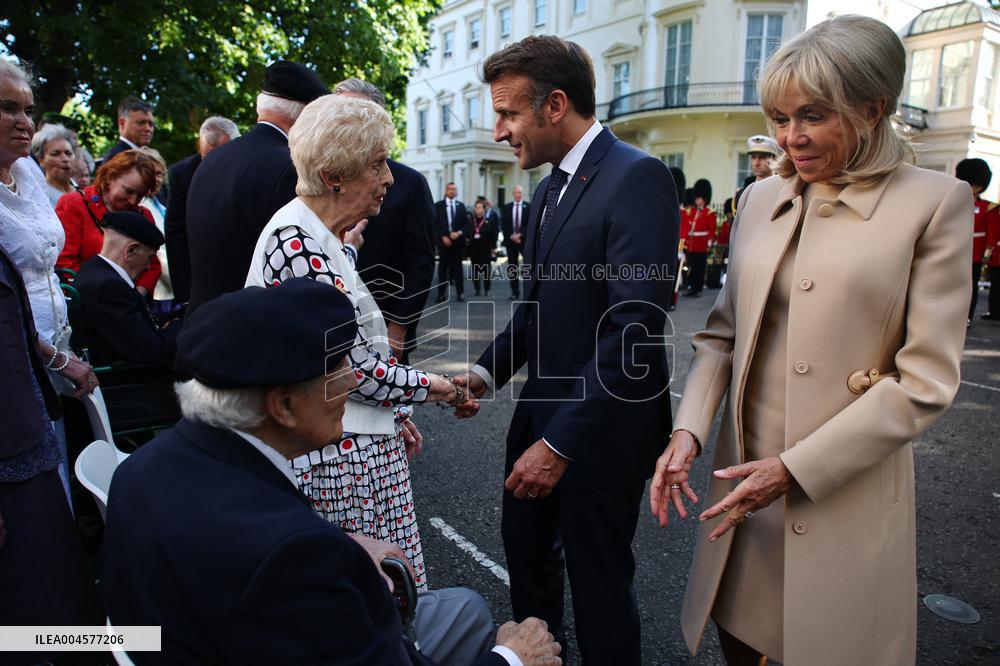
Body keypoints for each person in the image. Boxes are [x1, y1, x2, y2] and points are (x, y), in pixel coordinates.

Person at [649, 16, 971, 665]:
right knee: (739, 643)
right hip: (743, 497)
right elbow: (720, 335)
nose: (789, 137)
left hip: (842, 494)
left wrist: (794, 470)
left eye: (812, 116)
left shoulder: (935, 203)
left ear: (872, 107)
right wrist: (686, 432)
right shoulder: (760, 197)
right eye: (779, 116)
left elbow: (926, 381)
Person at [103, 278, 562, 666]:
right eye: (338, 367)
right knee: (480, 620)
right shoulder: (294, 555)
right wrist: (513, 658)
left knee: (465, 608)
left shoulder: (142, 469)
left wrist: (342, 544)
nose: (351, 381)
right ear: (282, 404)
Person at [453, 35, 679, 663]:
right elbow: (537, 310)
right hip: (536, 420)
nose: (499, 131)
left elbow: (632, 330)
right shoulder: (551, 189)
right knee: (529, 575)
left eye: (507, 113)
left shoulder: (638, 176)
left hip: (599, 438)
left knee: (600, 593)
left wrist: (559, 447)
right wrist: (480, 373)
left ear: (555, 105)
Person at [246, 94, 478, 589]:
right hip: (335, 462)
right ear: (334, 175)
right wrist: (444, 389)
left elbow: (356, 354)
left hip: (353, 452)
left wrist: (395, 415)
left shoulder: (323, 238)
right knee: (375, 599)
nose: (390, 179)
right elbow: (355, 374)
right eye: (377, 164)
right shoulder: (299, 247)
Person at [0, 58, 99, 508]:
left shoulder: (28, 174)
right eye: (7, 108)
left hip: (54, 353)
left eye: (27, 110)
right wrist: (54, 358)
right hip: (14, 363)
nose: (24, 123)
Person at [0, 243, 103, 663]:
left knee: (63, 608)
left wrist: (57, 358)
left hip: (27, 444)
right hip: (11, 468)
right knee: (35, 621)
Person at [186, 61, 329, 314]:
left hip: (201, 324)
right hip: (252, 328)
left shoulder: (211, 161)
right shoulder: (290, 168)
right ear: (305, 114)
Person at [333, 78, 436, 363]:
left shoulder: (408, 184)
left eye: (355, 114)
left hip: (383, 330)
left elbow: (421, 264)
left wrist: (399, 328)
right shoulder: (315, 178)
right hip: (325, 328)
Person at [74, 211, 181, 367]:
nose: (148, 266)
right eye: (149, 257)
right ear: (131, 251)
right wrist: (177, 327)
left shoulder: (93, 272)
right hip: (130, 383)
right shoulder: (108, 286)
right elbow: (151, 351)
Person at [55, 149, 161, 295]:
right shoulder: (74, 204)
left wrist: (136, 296)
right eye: (129, 191)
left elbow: (153, 265)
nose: (133, 200)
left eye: (140, 195)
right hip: (87, 300)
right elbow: (65, 262)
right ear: (109, 177)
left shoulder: (143, 214)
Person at [164, 115, 240, 304]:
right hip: (200, 276)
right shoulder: (182, 175)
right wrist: (184, 295)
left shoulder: (247, 168)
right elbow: (176, 234)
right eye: (207, 158)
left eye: (222, 156)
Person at [955, 158, 996, 323]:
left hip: (974, 253)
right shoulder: (953, 201)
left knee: (970, 287)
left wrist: (988, 252)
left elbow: (991, 232)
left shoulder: (987, 208)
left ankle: (967, 316)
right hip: (956, 250)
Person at [135, 146, 175, 305]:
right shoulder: (142, 206)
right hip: (161, 290)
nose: (157, 179)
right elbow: (159, 252)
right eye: (152, 173)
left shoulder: (158, 202)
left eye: (160, 174)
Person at [434, 181, 468, 302]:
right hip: (443, 242)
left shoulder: (461, 206)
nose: (452, 191)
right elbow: (435, 223)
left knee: (458, 268)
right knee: (442, 269)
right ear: (446, 191)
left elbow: (466, 224)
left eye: (454, 189)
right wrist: (443, 236)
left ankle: (460, 293)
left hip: (457, 243)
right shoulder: (438, 205)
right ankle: (441, 294)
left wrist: (458, 233)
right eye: (450, 189)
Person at [682, 178, 716, 297]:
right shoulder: (691, 211)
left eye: (699, 198)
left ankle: (698, 289)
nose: (697, 200)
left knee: (700, 268)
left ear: (704, 199)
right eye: (696, 197)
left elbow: (711, 229)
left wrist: (710, 241)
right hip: (692, 244)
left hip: (701, 245)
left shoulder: (709, 212)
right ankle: (691, 288)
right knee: (692, 267)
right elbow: (687, 227)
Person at [29, 122, 76, 207]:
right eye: (55, 154)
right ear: (41, 160)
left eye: (68, 153)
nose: (65, 159)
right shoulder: (39, 197)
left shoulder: (82, 192)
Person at [102, 95, 155, 163]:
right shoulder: (117, 158)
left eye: (151, 124)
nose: (148, 128)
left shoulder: (144, 156)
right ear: (122, 124)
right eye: (141, 123)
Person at [500, 184, 530, 299]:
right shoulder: (506, 208)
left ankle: (528, 292)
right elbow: (504, 224)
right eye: (516, 193)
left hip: (524, 241)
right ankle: (515, 292)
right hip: (511, 242)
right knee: (512, 268)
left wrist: (520, 234)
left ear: (522, 194)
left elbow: (530, 224)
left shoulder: (528, 207)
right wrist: (512, 235)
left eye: (520, 193)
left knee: (528, 266)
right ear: (513, 194)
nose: (518, 195)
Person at [468, 199, 498, 296]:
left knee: (486, 270)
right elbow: (469, 234)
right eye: (476, 208)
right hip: (474, 249)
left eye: (480, 208)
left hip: (485, 249)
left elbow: (493, 235)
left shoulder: (488, 221)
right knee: (475, 270)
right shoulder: (471, 220)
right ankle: (477, 289)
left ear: (484, 209)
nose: (478, 210)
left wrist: (494, 248)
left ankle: (486, 288)